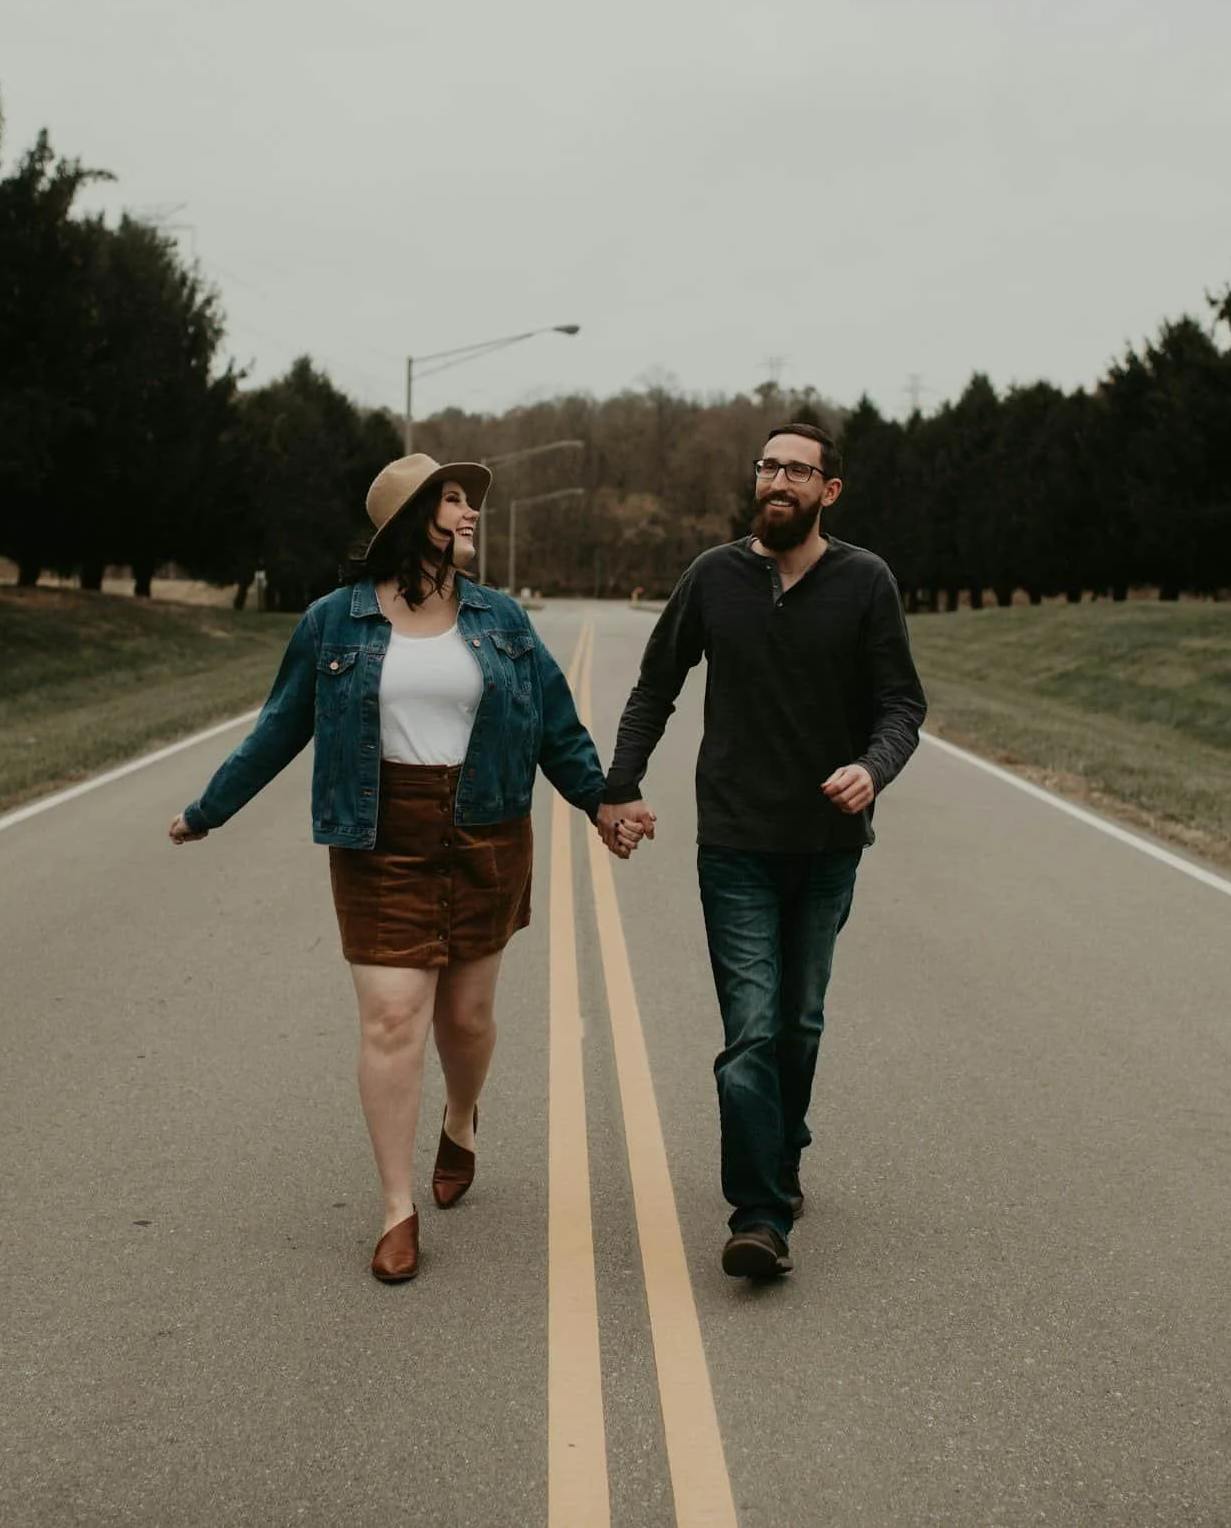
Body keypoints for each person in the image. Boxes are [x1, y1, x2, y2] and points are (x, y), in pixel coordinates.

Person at [168, 454, 611, 1283]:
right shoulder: (334, 623)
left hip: (484, 829)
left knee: (467, 1019)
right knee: (393, 1018)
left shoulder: (503, 619)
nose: (471, 513)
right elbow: (278, 726)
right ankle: (396, 1207)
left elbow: (556, 722)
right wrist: (208, 808)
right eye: (453, 500)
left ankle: (460, 1115)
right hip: (378, 837)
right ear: (413, 517)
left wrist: (602, 803)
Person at [596, 422, 926, 1280]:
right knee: (750, 1028)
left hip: (825, 847)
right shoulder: (714, 577)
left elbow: (901, 704)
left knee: (798, 1019)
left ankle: (783, 1151)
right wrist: (618, 785)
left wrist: (872, 767)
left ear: (830, 490)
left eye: (797, 470)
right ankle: (759, 1213)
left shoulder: (865, 581)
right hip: (735, 842)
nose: (778, 480)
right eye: (769, 466)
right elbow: (655, 688)